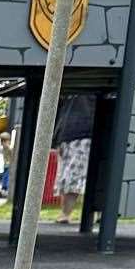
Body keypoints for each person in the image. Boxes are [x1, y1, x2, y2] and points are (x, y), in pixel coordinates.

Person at [52, 93, 95, 224]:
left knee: (69, 176)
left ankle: (65, 213)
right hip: (81, 130)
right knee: (72, 176)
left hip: (71, 131)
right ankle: (68, 213)